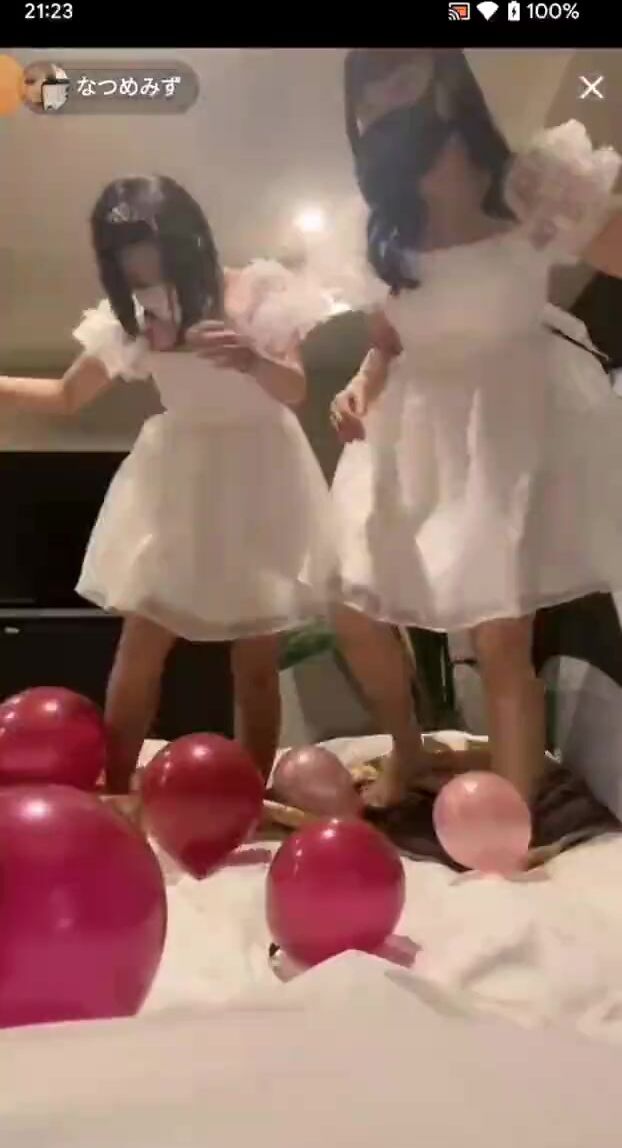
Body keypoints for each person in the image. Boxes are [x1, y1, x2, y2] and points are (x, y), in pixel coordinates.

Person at [329, 48, 622, 808]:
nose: (381, 97)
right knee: (349, 604)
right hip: (412, 427)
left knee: (499, 637)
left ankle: (512, 821)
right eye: (366, 89)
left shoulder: (530, 184)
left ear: (442, 71)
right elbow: (387, 337)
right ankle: (408, 752)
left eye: (395, 71)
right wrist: (360, 384)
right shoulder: (382, 222)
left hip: (506, 423)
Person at [0, 176, 333, 791]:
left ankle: (248, 796)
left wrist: (249, 357)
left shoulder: (257, 289)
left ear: (182, 233)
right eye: (119, 248)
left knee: (256, 658)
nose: (135, 261)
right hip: (180, 476)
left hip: (262, 473)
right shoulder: (131, 316)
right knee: (141, 646)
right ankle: (117, 792)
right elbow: (66, 395)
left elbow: (294, 388)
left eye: (141, 241)